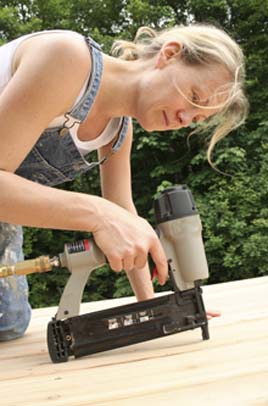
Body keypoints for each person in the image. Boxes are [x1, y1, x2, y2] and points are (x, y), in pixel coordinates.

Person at [0, 23, 248, 341]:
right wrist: (100, 215)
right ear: (169, 54)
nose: (185, 119)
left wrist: (155, 307)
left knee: (9, 323)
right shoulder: (66, 57)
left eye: (197, 118)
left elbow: (124, 212)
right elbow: (111, 214)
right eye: (194, 98)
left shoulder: (117, 132)